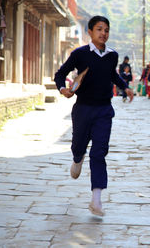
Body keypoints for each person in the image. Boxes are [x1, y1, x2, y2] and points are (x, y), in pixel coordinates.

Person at [54, 16, 134, 216]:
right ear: (90, 31)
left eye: (106, 30)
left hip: (103, 110)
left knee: (99, 152)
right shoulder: (80, 54)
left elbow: (112, 75)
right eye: (99, 29)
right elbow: (60, 73)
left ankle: (96, 199)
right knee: (78, 144)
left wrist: (126, 87)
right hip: (83, 109)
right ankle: (77, 157)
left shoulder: (112, 55)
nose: (103, 33)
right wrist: (63, 88)